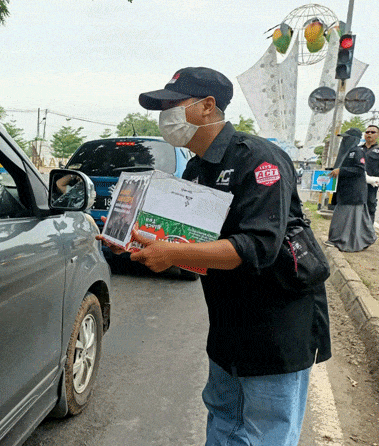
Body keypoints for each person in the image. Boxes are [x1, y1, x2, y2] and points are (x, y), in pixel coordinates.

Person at [98, 67, 331, 446]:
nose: (164, 116)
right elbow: (187, 243)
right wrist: (138, 246)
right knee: (223, 422)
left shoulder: (260, 159)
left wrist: (171, 251)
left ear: (208, 106)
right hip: (227, 326)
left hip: (276, 328)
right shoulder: (196, 168)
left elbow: (258, 246)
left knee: (264, 433)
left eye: (173, 105)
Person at [326, 129, 376, 251]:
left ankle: (340, 241)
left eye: (346, 138)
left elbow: (360, 170)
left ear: (353, 139)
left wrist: (341, 171)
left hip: (353, 192)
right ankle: (368, 238)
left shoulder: (357, 152)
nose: (344, 141)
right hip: (345, 192)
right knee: (359, 220)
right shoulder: (345, 153)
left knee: (344, 218)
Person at [362, 125, 379, 222]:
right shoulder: (357, 149)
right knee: (355, 209)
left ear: (377, 135)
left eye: (373, 132)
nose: (369, 134)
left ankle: (367, 235)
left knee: (369, 209)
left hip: (371, 186)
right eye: (367, 132)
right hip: (356, 185)